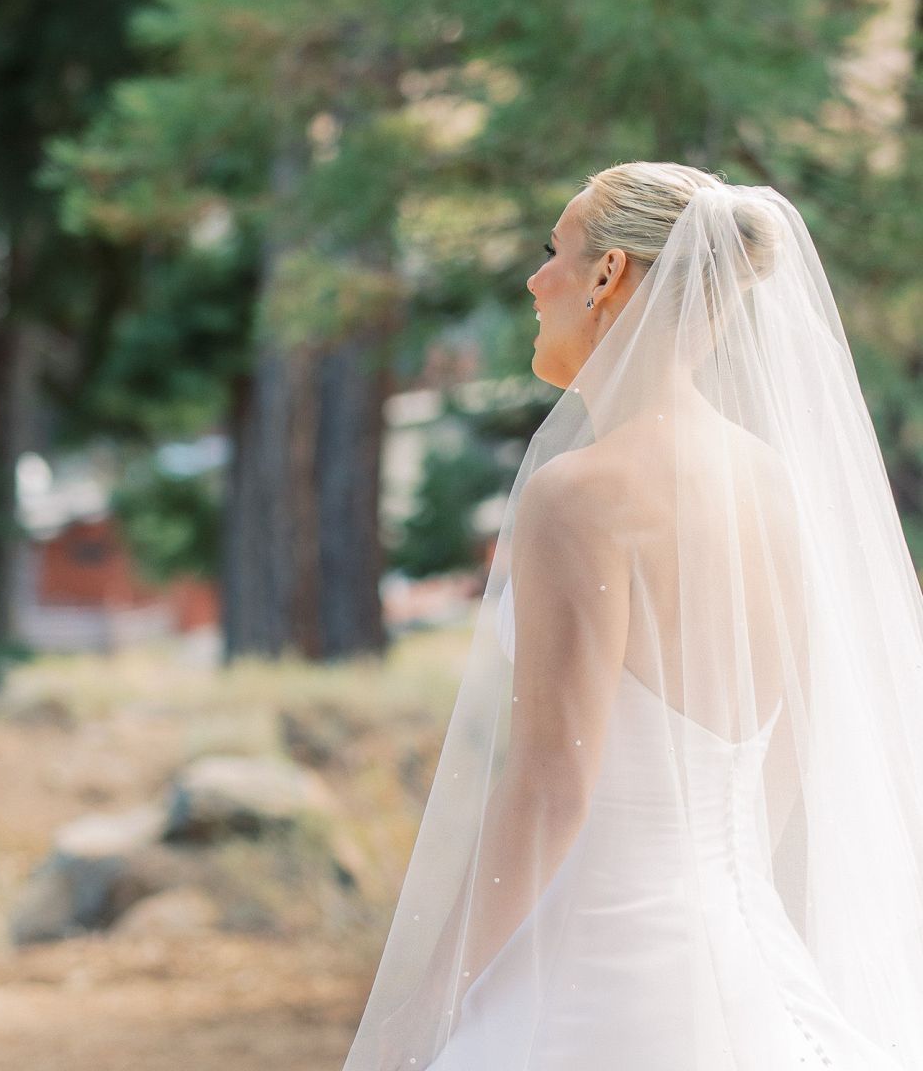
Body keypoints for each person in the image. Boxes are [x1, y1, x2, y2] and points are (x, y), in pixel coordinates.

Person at [344, 162, 923, 1069]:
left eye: (555, 252)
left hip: (597, 982)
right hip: (739, 958)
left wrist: (426, 1005)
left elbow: (550, 788)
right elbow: (781, 761)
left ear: (609, 275)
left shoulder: (580, 496)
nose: (537, 283)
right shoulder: (770, 483)